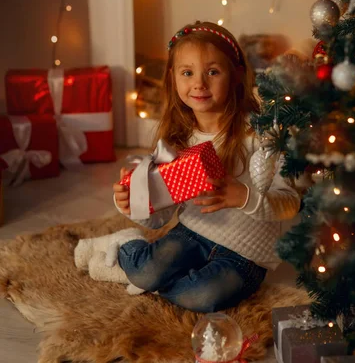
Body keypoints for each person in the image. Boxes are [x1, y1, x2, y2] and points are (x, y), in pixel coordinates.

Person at [75, 21, 300, 311]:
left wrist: (244, 196)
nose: (199, 84)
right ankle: (127, 246)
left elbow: (291, 203)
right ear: (173, 78)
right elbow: (161, 216)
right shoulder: (176, 143)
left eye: (213, 72)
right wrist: (133, 204)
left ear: (236, 75)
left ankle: (148, 277)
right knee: (147, 272)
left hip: (245, 255)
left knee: (200, 296)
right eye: (187, 72)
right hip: (191, 234)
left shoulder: (259, 134)